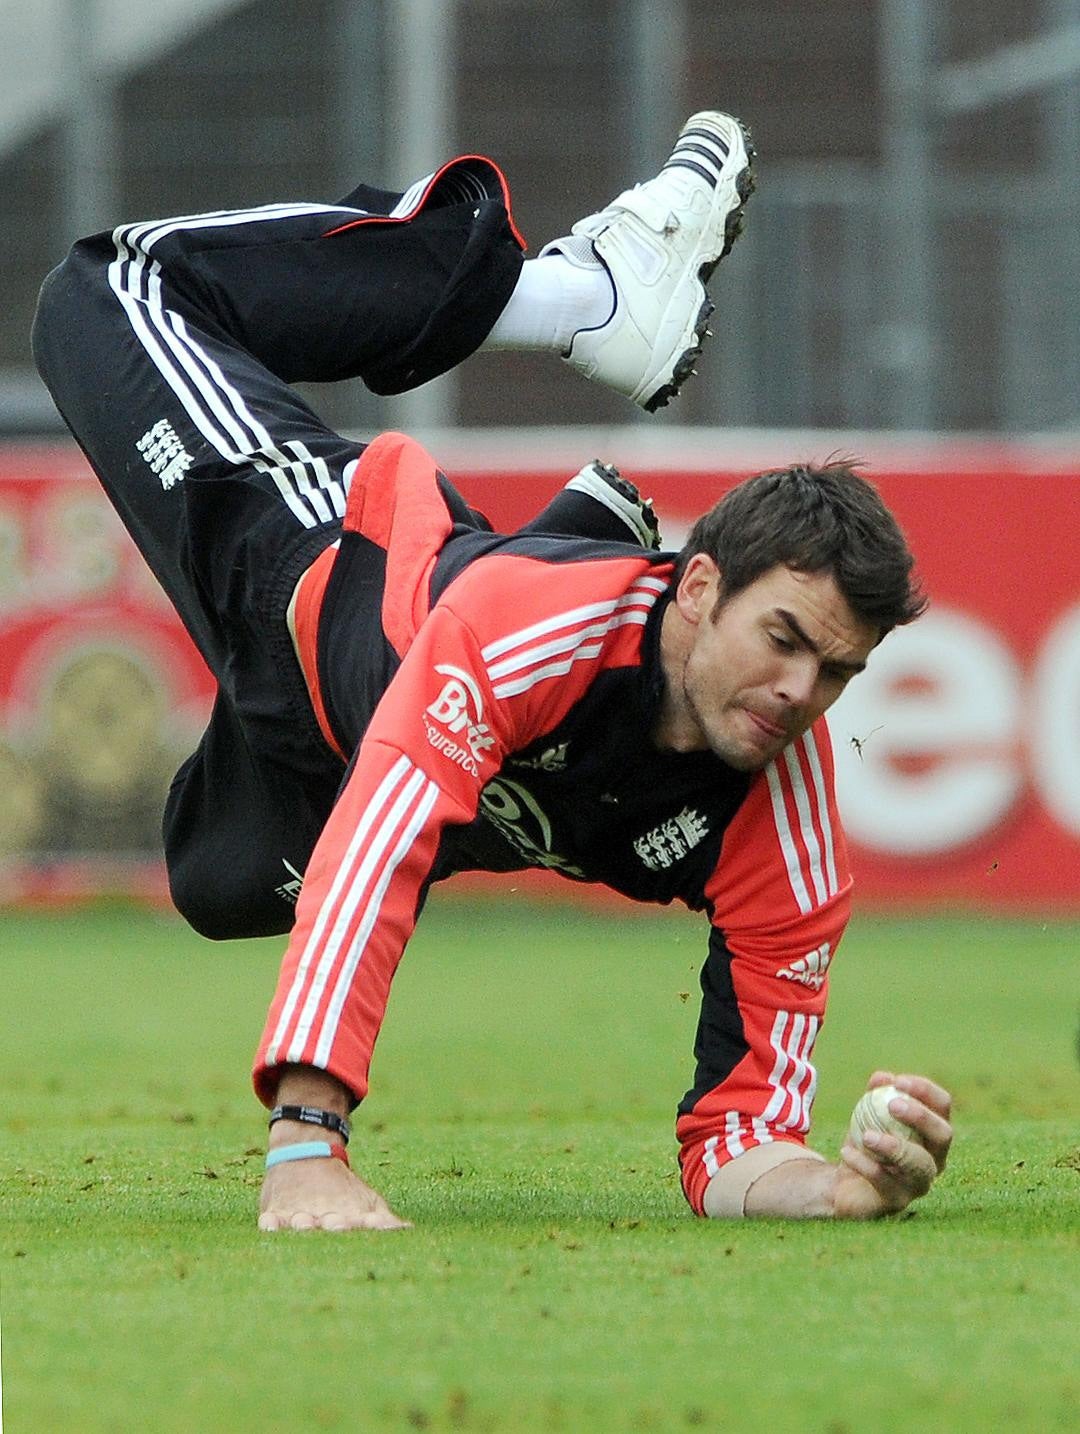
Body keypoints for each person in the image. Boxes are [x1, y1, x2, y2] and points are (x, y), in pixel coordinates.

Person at [33, 109, 953, 1232]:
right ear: (700, 588)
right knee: (109, 290)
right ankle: (580, 299)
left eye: (838, 675)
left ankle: (570, 522)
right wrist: (307, 1147)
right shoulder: (538, 635)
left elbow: (740, 1152)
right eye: (785, 641)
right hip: (308, 565)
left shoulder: (789, 830)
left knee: (213, 885)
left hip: (338, 742)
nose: (800, 696)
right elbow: (377, 855)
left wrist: (847, 1187)